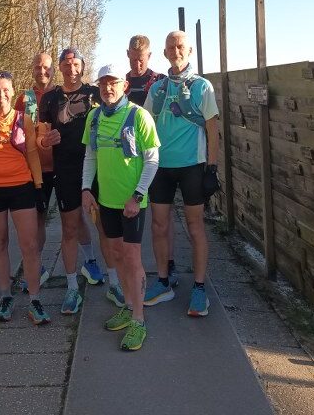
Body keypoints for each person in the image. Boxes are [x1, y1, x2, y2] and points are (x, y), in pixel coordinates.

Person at [38, 47, 123, 315]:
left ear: (83, 67)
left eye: (76, 63)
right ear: (59, 67)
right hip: (65, 170)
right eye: (66, 63)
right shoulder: (49, 98)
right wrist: (45, 141)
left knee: (104, 227)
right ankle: (72, 287)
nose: (71, 68)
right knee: (70, 228)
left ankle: (115, 283)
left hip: (98, 168)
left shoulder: (95, 93)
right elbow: (41, 136)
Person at [82, 64, 160, 351]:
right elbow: (90, 157)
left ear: (124, 86)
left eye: (113, 83)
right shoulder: (94, 117)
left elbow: (152, 160)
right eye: (103, 83)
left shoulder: (139, 116)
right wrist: (86, 189)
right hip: (107, 201)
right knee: (115, 254)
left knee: (132, 258)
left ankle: (139, 319)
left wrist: (137, 196)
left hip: (132, 203)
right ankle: (128, 306)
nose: (108, 88)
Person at [143, 31, 221, 317]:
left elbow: (212, 128)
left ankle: (199, 288)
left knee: (195, 226)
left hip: (192, 166)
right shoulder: (156, 89)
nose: (175, 51)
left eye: (180, 47)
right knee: (159, 225)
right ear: (165, 53)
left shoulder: (202, 86)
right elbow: (145, 123)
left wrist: (212, 167)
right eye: (171, 47)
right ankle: (164, 281)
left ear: (189, 51)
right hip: (161, 166)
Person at [0, 70, 51, 325]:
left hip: (21, 186)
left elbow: (32, 154)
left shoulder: (24, 119)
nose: (1, 94)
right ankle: (5, 296)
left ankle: (34, 300)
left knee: (30, 245)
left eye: (5, 90)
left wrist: (38, 186)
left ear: (13, 92)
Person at [125, 34, 178, 287]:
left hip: (155, 156)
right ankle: (132, 267)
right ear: (128, 55)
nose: (137, 64)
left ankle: (169, 263)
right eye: (133, 59)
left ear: (149, 56)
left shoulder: (160, 82)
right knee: (130, 212)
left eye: (142, 59)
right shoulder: (121, 84)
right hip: (129, 161)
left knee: (162, 217)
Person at [14, 53, 56, 291]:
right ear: (32, 69)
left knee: (74, 218)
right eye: (38, 67)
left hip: (62, 166)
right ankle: (37, 268)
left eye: (47, 67)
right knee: (38, 218)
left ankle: (89, 261)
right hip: (35, 169)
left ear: (53, 70)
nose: (42, 71)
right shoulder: (24, 99)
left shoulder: (61, 95)